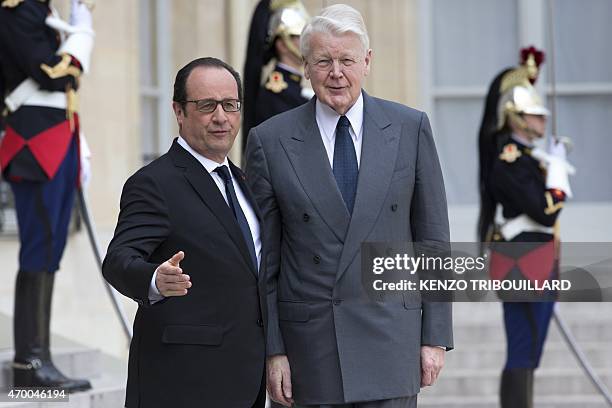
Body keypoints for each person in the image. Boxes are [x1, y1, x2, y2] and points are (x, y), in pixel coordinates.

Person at [245, 4, 453, 407]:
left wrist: (435, 337)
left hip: (391, 341)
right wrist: (274, 350)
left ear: (367, 62)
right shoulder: (270, 141)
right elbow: (264, 260)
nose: (336, 73)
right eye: (323, 61)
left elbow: (433, 242)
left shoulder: (410, 129)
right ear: (305, 66)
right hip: (310, 350)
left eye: (347, 60)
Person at [102, 57, 266, 408]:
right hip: (182, 382)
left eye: (230, 105)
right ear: (179, 111)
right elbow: (118, 259)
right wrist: (154, 280)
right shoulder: (154, 183)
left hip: (246, 380)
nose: (221, 117)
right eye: (207, 105)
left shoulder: (246, 183)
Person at [0, 0, 94, 392]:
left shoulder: (40, 12)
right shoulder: (18, 10)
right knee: (39, 248)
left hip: (56, 138)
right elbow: (54, 74)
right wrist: (83, 35)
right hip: (35, 144)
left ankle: (40, 357)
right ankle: (30, 362)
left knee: (51, 248)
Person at [477, 47, 574, 408]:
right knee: (524, 347)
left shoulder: (530, 158)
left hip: (536, 257)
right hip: (522, 259)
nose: (542, 121)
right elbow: (545, 212)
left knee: (531, 350)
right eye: (534, 115)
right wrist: (559, 177)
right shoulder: (509, 160)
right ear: (516, 117)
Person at [242, 0, 312, 151]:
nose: (307, 42)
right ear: (282, 45)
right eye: (299, 36)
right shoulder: (274, 93)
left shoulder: (295, 89)